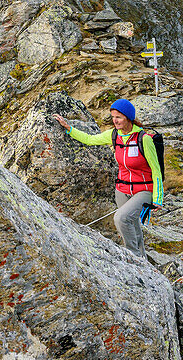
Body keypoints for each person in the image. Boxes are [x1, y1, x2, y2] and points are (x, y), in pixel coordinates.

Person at [53, 99, 162, 256]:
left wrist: (158, 197)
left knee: (121, 219)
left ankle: (133, 256)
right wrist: (69, 128)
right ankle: (142, 258)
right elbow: (90, 140)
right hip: (122, 189)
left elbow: (156, 170)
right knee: (132, 223)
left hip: (144, 189)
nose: (115, 121)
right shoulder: (113, 135)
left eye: (119, 117)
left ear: (129, 117)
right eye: (113, 117)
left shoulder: (143, 139)